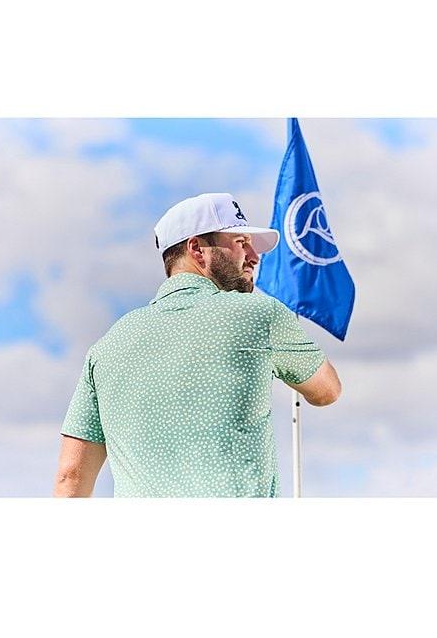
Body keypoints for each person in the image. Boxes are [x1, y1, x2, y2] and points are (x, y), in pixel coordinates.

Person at [54, 192, 341, 497]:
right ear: (197, 249)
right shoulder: (260, 314)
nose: (254, 257)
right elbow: (327, 390)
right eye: (241, 243)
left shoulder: (106, 347)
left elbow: (70, 478)